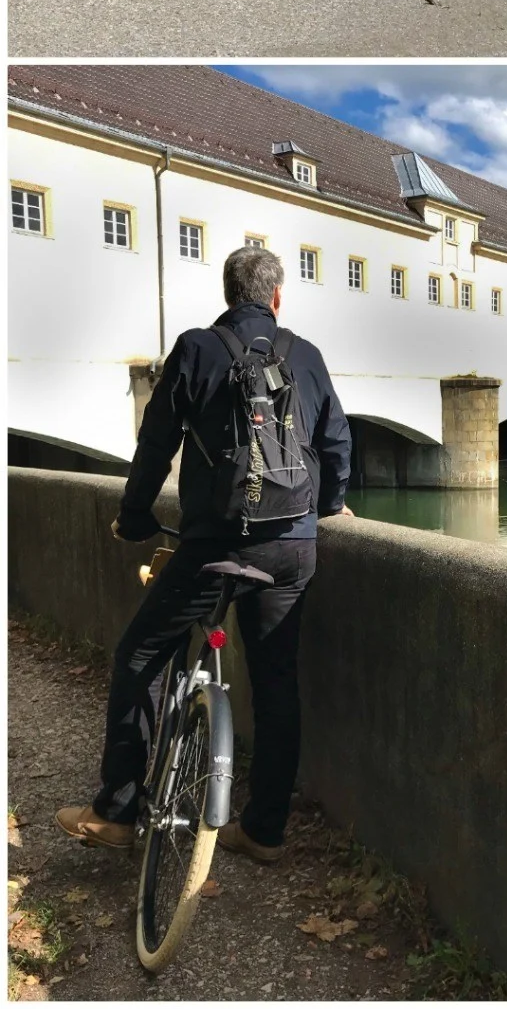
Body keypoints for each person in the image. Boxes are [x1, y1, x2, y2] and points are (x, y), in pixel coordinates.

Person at [54, 245, 352, 863]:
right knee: (276, 684)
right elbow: (337, 441)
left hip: (217, 545)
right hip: (293, 549)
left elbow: (155, 444)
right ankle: (265, 830)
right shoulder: (308, 355)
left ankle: (117, 810)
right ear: (276, 298)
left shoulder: (196, 348)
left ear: (227, 295)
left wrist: (135, 517)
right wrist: (328, 506)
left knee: (140, 653)